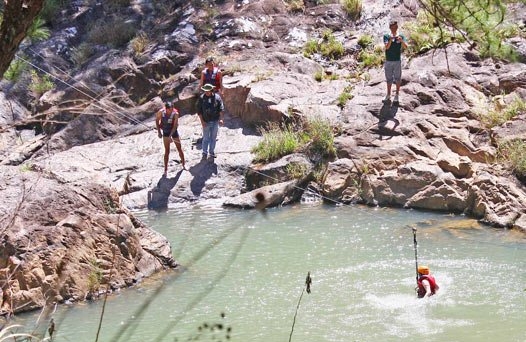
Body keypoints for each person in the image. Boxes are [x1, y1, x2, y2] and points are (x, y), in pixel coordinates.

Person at [155, 101, 186, 175]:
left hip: (173, 131)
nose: (171, 110)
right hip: (165, 131)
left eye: (172, 109)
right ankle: (165, 170)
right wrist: (159, 132)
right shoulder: (161, 112)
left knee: (179, 148)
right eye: (169, 109)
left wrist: (170, 136)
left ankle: (184, 164)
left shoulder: (175, 114)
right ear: (166, 108)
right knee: (167, 151)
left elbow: (175, 126)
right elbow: (157, 120)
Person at [196, 83, 224, 159]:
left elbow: (221, 108)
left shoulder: (217, 98)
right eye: (205, 91)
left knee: (213, 137)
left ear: (212, 90)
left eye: (208, 91)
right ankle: (204, 153)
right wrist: (202, 122)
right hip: (206, 121)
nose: (206, 92)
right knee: (205, 138)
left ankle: (211, 152)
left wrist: (221, 119)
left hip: (215, 121)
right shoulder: (201, 98)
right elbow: (199, 111)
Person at [383, 20, 408, 104]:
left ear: (397, 27)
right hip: (388, 60)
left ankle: (397, 95)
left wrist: (401, 41)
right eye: (392, 27)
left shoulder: (401, 36)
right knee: (389, 78)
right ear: (390, 28)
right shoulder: (386, 36)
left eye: (395, 27)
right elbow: (387, 47)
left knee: (397, 78)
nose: (394, 29)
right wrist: (390, 39)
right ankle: (388, 94)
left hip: (397, 60)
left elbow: (406, 47)